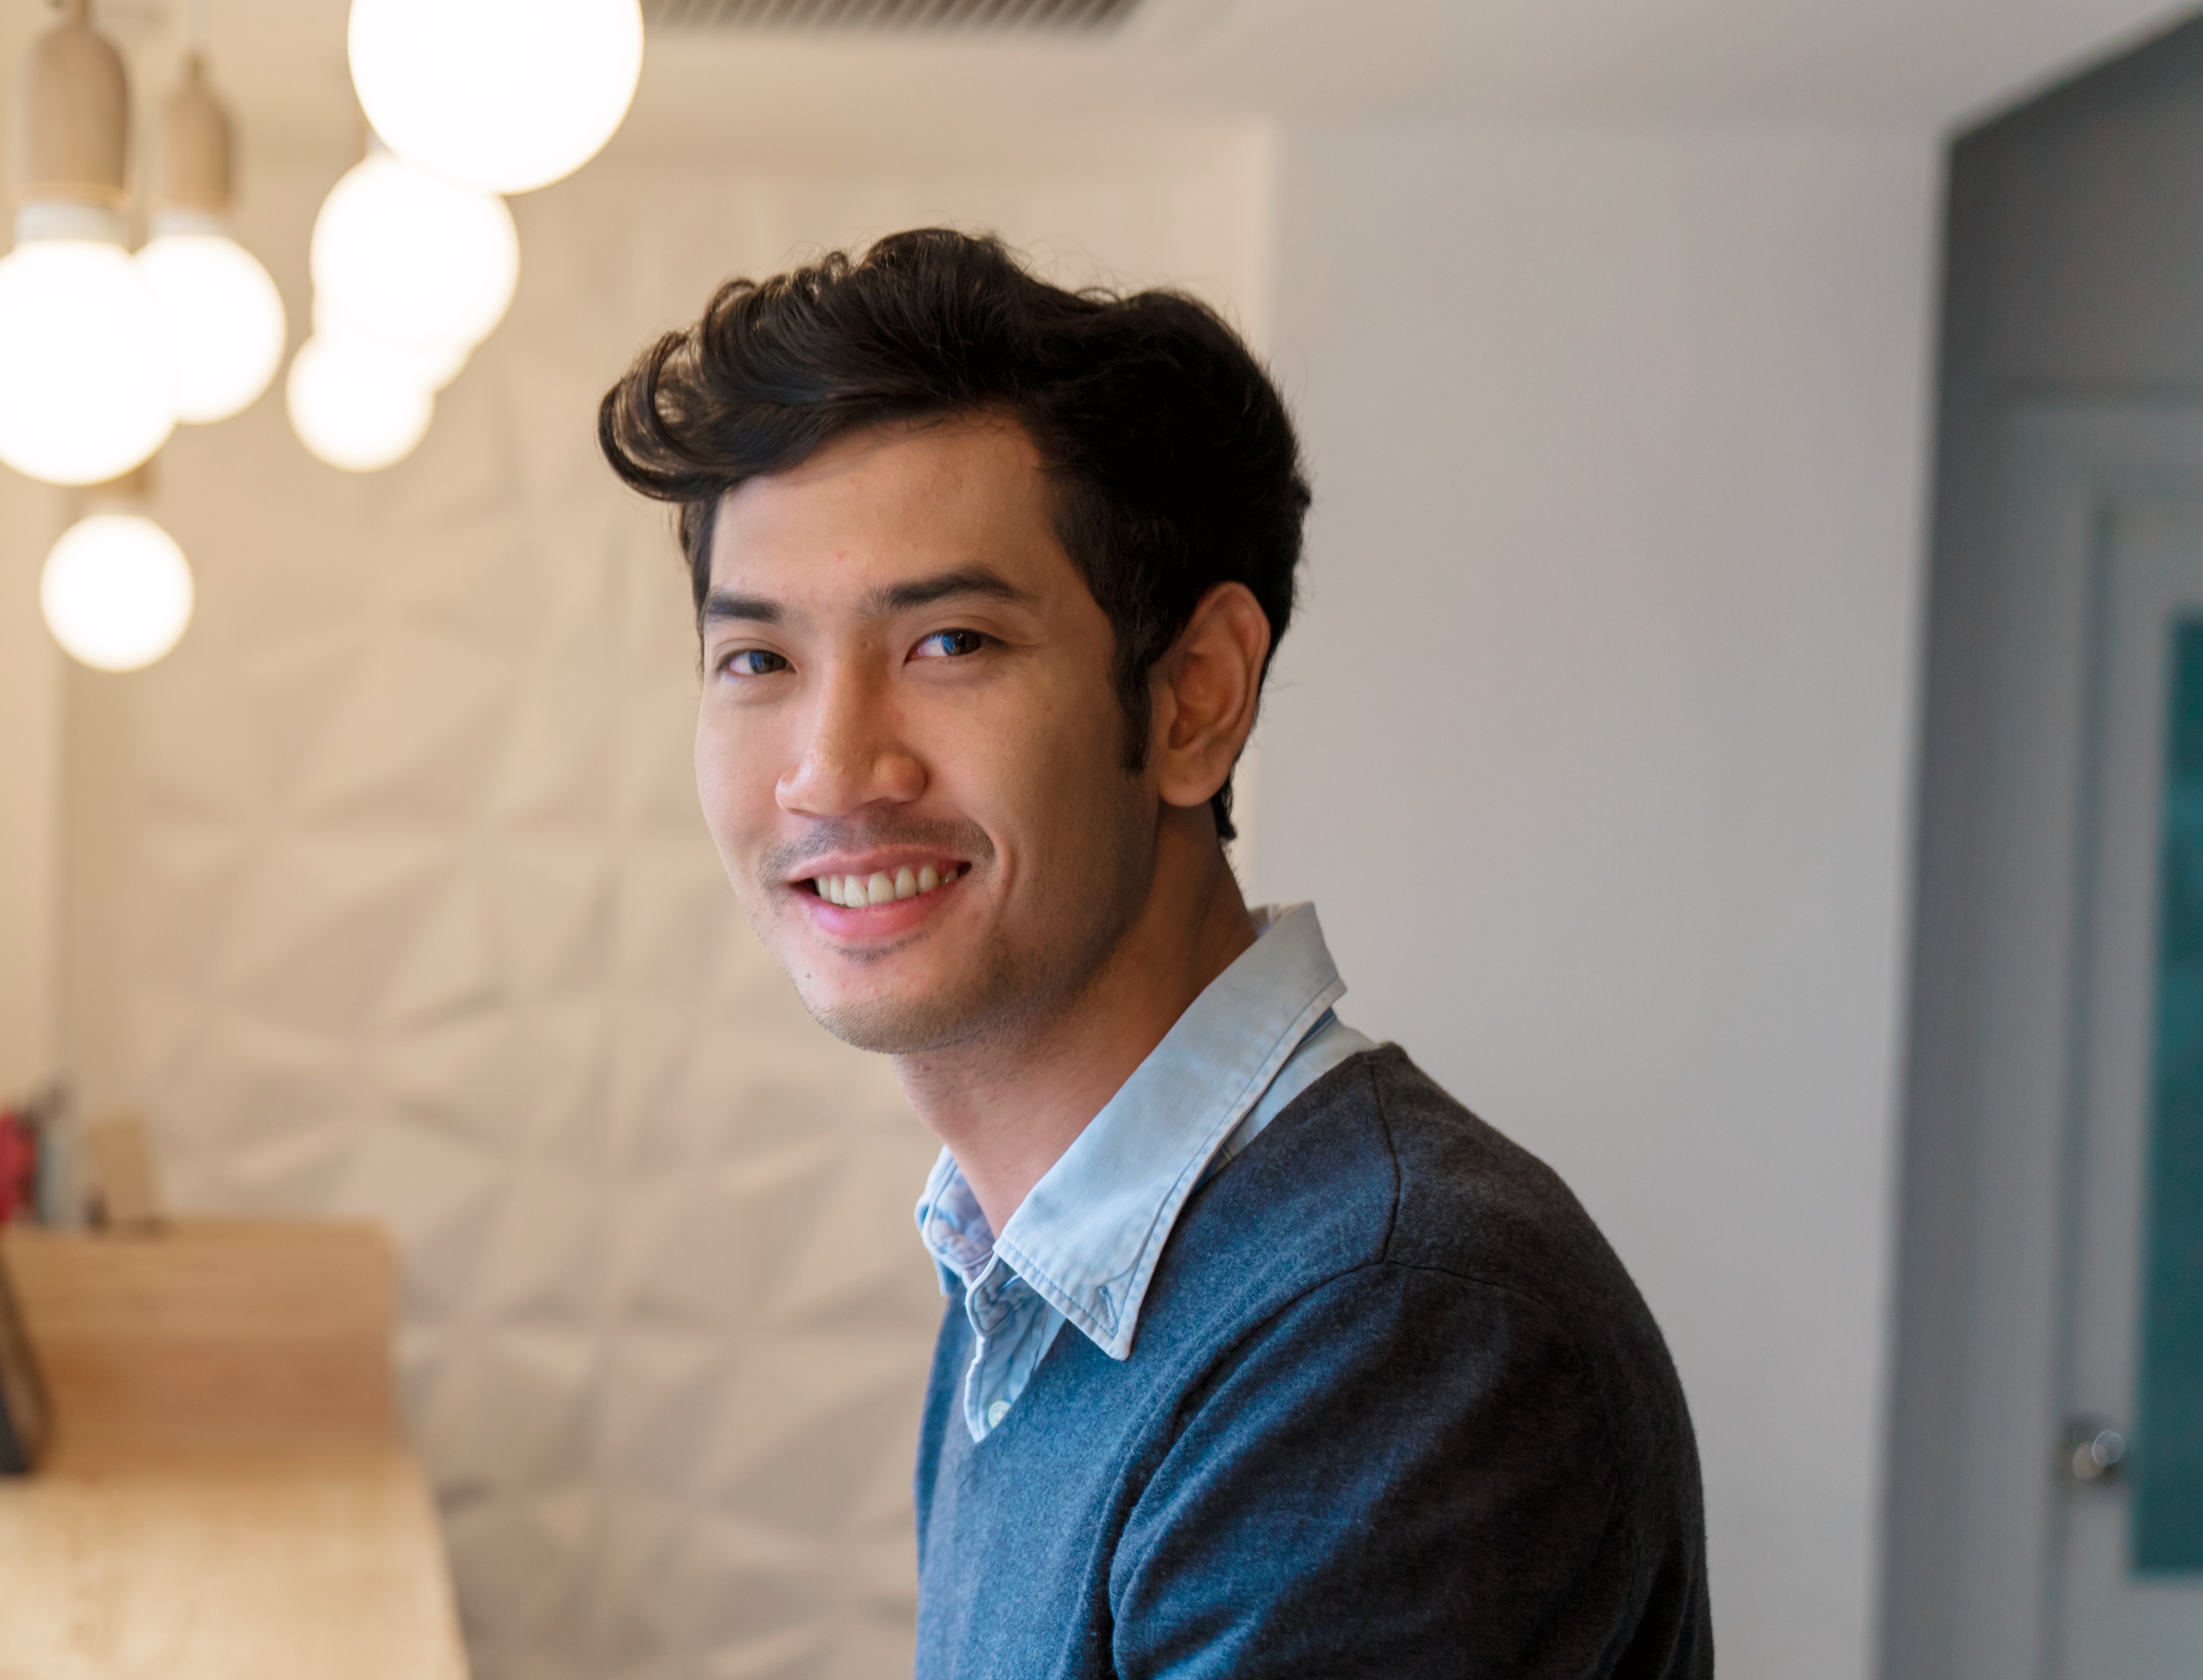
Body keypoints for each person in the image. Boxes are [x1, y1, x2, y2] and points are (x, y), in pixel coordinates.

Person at [595, 228, 1713, 1678]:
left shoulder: (1388, 1330)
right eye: (759, 661)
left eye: (949, 645)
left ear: (1194, 701)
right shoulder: (1031, 1270)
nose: (830, 769)